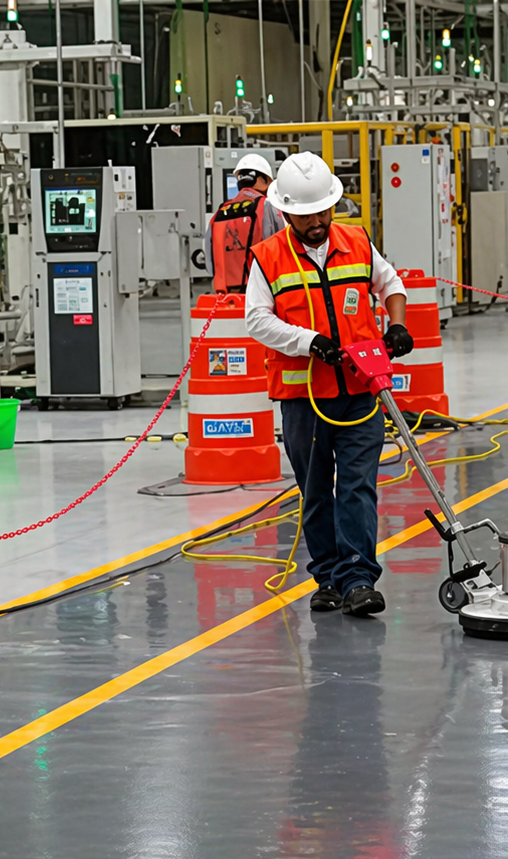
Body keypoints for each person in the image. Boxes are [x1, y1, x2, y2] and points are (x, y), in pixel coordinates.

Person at [245, 152, 413, 617]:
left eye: (323, 211)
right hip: (304, 399)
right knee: (316, 489)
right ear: (285, 212)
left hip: (361, 390)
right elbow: (257, 320)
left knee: (357, 486)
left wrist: (397, 324)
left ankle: (358, 579)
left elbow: (391, 283)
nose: (317, 222)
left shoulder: (356, 241)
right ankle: (327, 577)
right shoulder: (268, 257)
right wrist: (309, 341)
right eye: (306, 216)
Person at [205, 154, 285, 294]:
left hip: (226, 298)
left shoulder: (219, 213)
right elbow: (283, 248)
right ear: (265, 180)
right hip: (263, 293)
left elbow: (209, 264)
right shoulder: (268, 206)